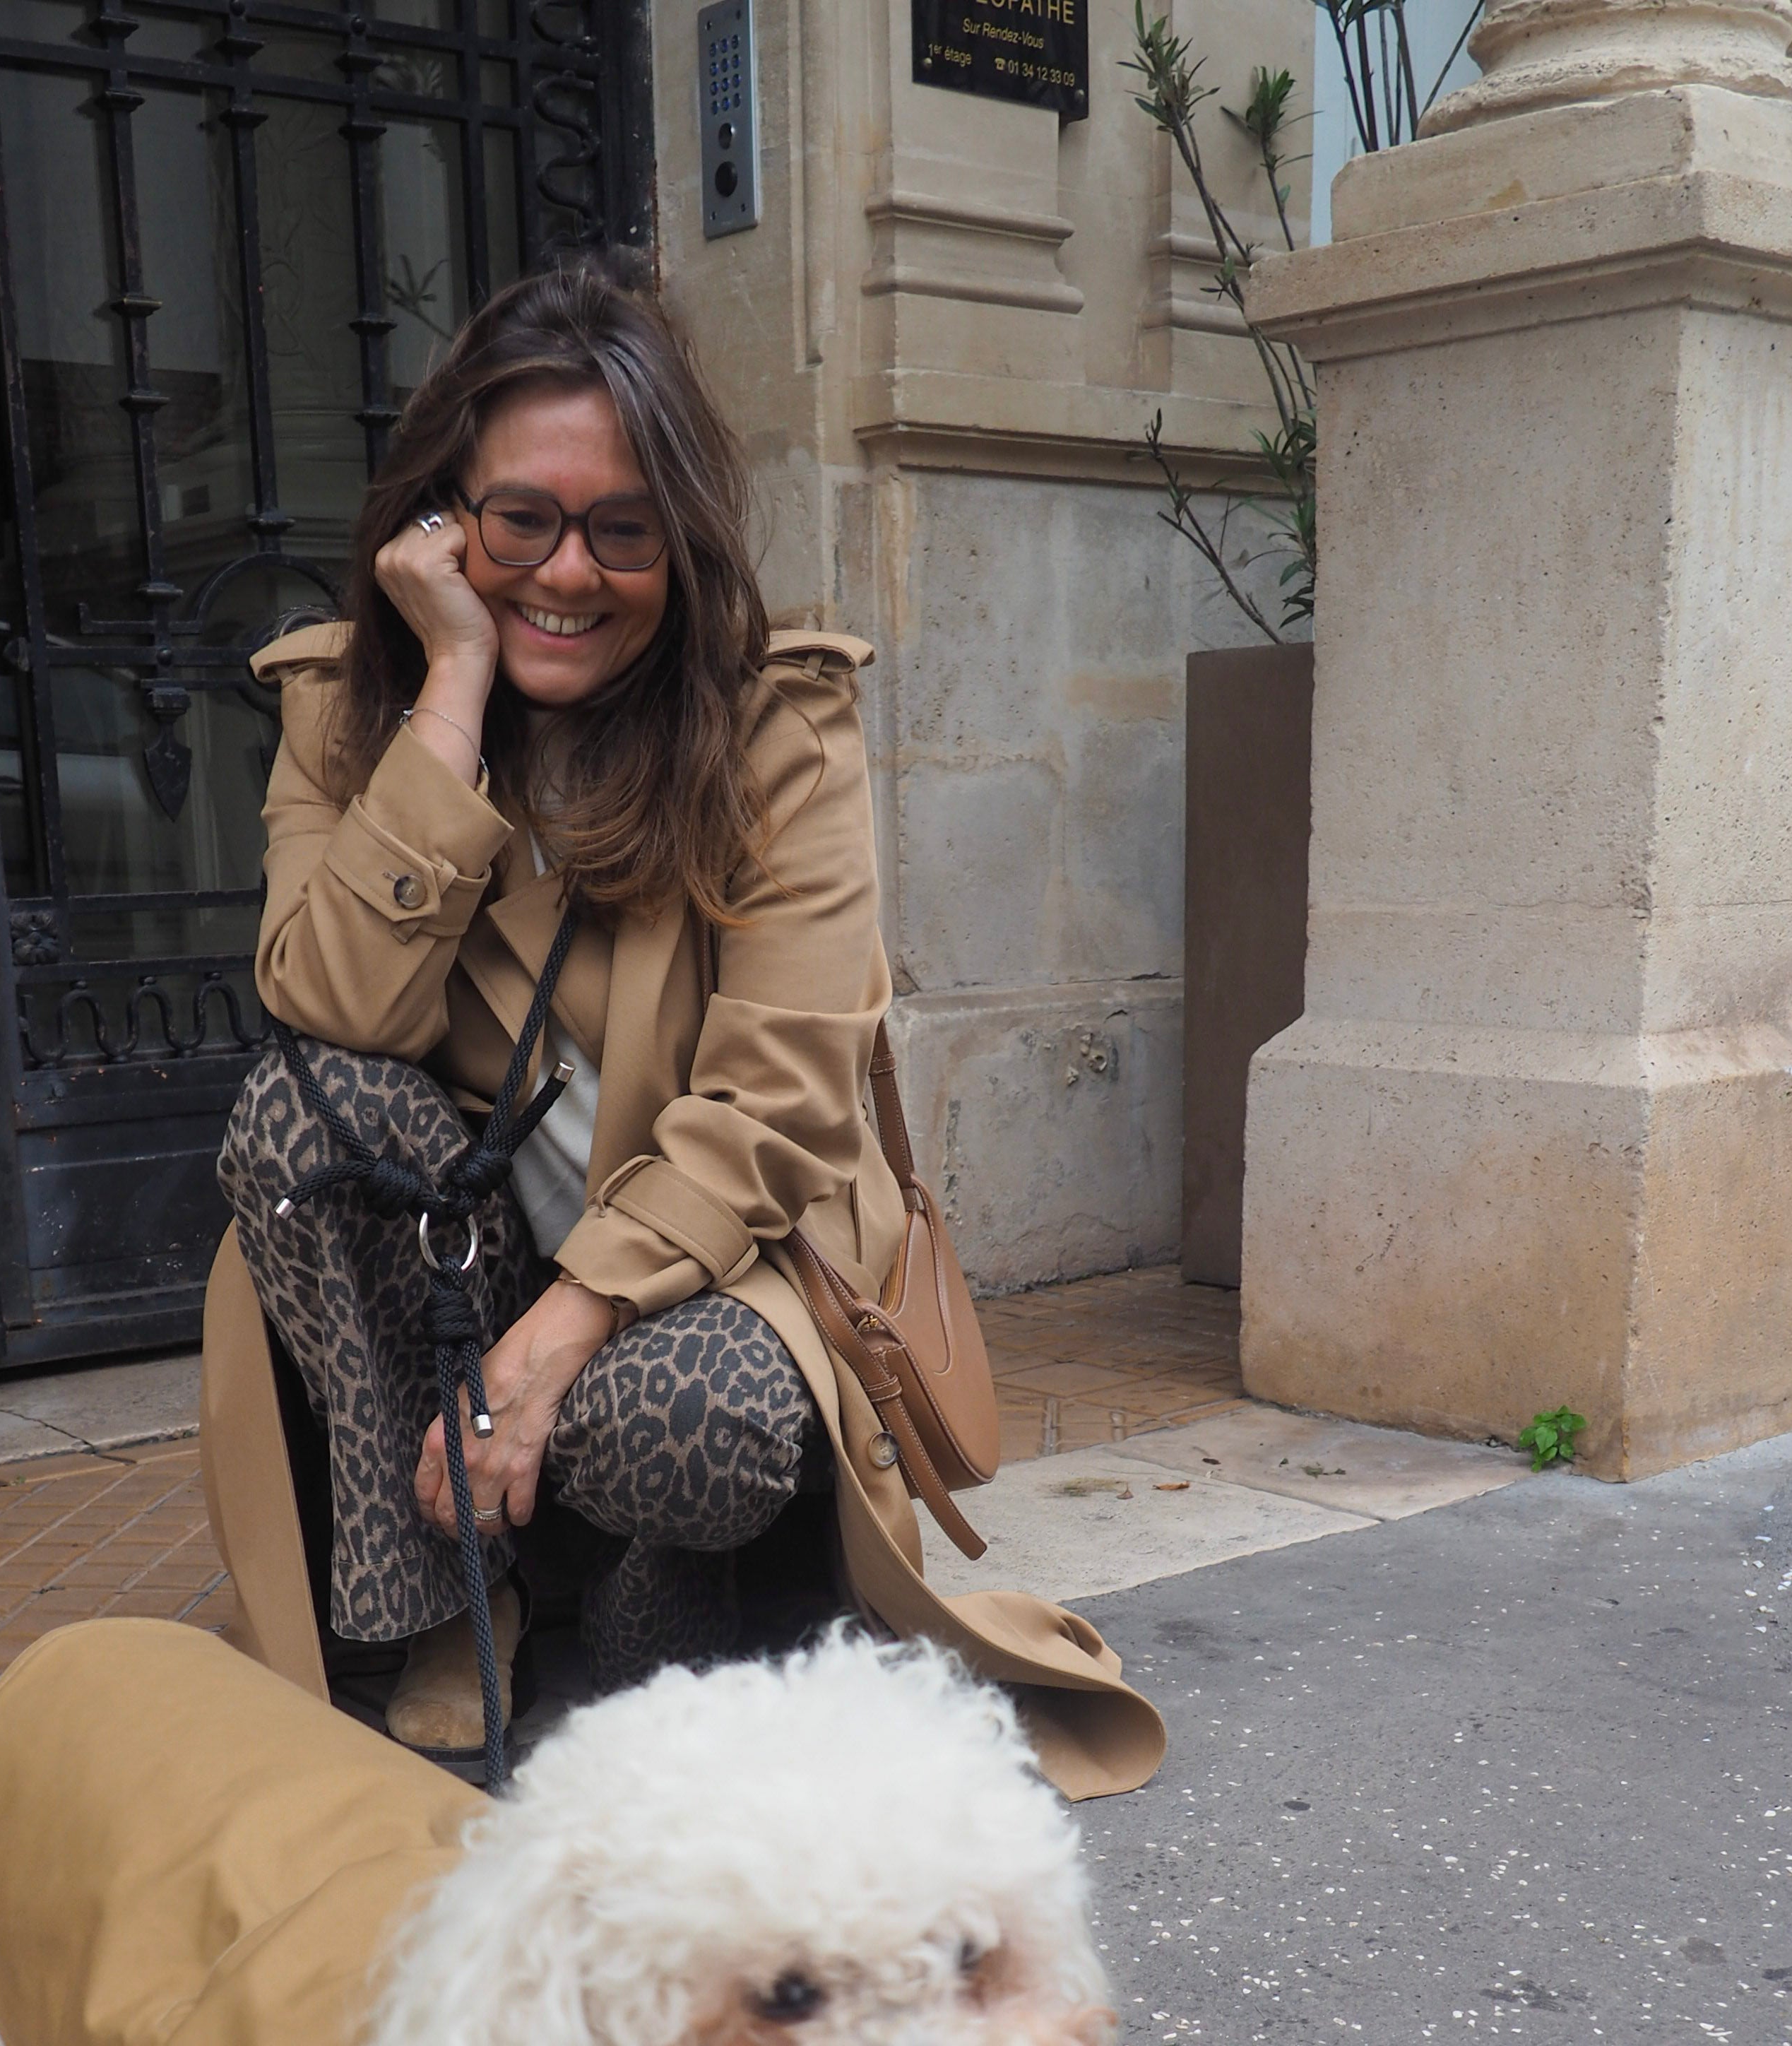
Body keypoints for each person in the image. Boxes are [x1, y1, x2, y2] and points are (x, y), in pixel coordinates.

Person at [219, 254, 1161, 1799]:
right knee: (294, 1116)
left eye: (623, 529)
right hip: (475, 1261)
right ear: (444, 520)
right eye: (522, 518)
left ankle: (657, 1591)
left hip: (720, 1261)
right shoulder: (344, 713)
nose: (568, 573)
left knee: (698, 1419)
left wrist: (567, 1326)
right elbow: (336, 1007)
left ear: (682, 538)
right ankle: (448, 1603)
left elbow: (781, 1099)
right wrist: (451, 695)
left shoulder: (773, 725)